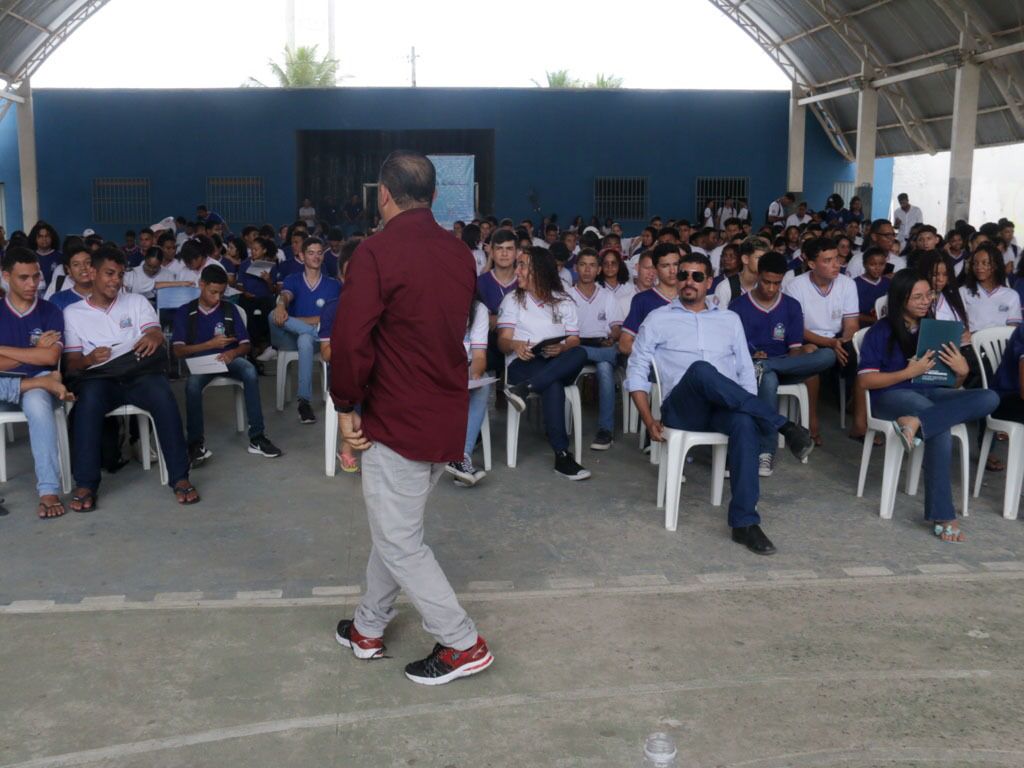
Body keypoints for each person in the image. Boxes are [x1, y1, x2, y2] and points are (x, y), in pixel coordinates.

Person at [330, 150, 493, 686]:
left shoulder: (376, 253)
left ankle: (461, 641)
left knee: (399, 538)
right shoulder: (459, 255)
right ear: (433, 195)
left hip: (395, 414)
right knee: (395, 528)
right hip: (444, 410)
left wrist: (346, 406)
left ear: (382, 194)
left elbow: (352, 341)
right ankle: (368, 627)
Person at [627, 252, 814, 555]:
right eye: (683, 275)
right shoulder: (658, 318)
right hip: (682, 409)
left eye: (697, 276)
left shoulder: (729, 320)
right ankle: (782, 425)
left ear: (709, 282)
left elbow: (744, 371)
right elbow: (635, 371)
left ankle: (745, 524)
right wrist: (649, 420)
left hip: (722, 409)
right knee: (701, 370)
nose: (689, 281)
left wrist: (747, 406)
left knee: (742, 423)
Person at [858, 270, 999, 542]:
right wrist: (907, 373)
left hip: (931, 393)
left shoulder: (935, 329)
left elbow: (949, 383)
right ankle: (943, 515)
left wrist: (961, 371)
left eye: (929, 295)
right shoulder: (881, 331)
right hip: (891, 395)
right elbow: (865, 381)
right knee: (939, 426)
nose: (926, 301)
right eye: (918, 297)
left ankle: (917, 423)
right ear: (901, 299)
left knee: (989, 397)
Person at [62, 246, 199, 509]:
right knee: (86, 405)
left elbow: (155, 332)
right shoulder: (73, 313)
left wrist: (154, 336)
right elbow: (72, 363)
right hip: (101, 380)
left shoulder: (136, 302)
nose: (116, 280)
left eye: (120, 274)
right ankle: (86, 484)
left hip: (139, 375)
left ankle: (180, 477)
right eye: (109, 273)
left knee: (163, 396)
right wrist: (90, 359)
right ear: (92, 272)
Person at [730, 251, 835, 476]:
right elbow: (732, 350)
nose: (771, 288)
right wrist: (753, 359)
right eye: (766, 282)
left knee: (828, 356)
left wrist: (779, 362)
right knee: (767, 378)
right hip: (751, 369)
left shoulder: (791, 306)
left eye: (776, 284)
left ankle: (767, 367)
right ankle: (766, 451)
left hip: (784, 363)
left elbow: (795, 349)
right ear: (758, 276)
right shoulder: (738, 306)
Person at [172, 266, 281, 465]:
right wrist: (209, 345)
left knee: (249, 370)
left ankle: (257, 437)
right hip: (201, 362)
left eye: (221, 293)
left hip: (228, 358)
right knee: (192, 385)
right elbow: (178, 351)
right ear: (201, 285)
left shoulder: (230, 309)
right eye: (213, 292)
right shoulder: (185, 311)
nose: (217, 298)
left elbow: (246, 345)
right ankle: (195, 444)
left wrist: (233, 352)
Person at [499, 247, 590, 479]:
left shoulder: (563, 300)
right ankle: (561, 456)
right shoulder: (513, 300)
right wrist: (516, 344)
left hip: (557, 360)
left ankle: (526, 389)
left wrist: (562, 347)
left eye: (522, 265)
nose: (517, 270)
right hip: (525, 362)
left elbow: (573, 338)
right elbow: (502, 341)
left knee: (578, 352)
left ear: (539, 271)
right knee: (553, 384)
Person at [0, 247, 73, 518]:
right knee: (39, 385)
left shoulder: (50, 311)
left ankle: (48, 490)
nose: (33, 284)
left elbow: (50, 356)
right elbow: (39, 356)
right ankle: (37, 384)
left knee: (39, 404)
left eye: (36, 276)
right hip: (30, 380)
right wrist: (33, 356)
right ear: (6, 276)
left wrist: (4, 350)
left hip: (40, 379)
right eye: (23, 278)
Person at [784, 237, 862, 441]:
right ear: (811, 264)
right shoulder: (795, 286)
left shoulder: (847, 284)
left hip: (838, 338)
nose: (836, 264)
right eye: (827, 260)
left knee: (861, 354)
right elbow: (797, 329)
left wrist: (843, 341)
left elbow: (852, 324)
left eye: (836, 258)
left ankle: (860, 421)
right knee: (810, 354)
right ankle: (811, 421)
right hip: (808, 338)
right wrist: (830, 344)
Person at [271, 236, 341, 424]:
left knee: (305, 339)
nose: (316, 257)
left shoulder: (333, 285)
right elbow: (286, 295)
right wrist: (280, 304)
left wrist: (301, 320)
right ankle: (310, 332)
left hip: (321, 340)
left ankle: (304, 401)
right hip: (291, 336)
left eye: (319, 253)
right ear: (302, 256)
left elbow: (335, 315)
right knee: (273, 315)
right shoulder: (292, 279)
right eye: (311, 253)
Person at [571, 248, 624, 450]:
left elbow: (617, 329)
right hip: (574, 346)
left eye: (592, 265)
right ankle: (607, 355)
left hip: (601, 344)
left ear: (599, 269)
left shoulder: (607, 296)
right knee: (605, 358)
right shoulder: (566, 296)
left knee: (604, 367)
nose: (587, 269)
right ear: (576, 268)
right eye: (583, 264)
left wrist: (612, 337)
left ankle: (605, 430)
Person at [446, 296, 491, 486]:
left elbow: (479, 355)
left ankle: (462, 456)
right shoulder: (432, 300)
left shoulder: (478, 308)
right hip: (435, 367)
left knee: (483, 385)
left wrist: (476, 374)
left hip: (466, 366)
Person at [619, 243, 682, 356]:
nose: (672, 271)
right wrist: (658, 358)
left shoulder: (690, 297)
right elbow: (624, 344)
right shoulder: (642, 300)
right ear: (656, 269)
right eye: (665, 266)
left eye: (676, 264)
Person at [959, 243, 1021, 332]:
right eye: (975, 263)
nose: (979, 267)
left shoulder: (1011, 295)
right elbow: (960, 325)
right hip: (972, 343)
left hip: (1001, 344)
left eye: (985, 263)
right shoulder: (963, 292)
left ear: (995, 265)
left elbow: (1012, 330)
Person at [713, 237, 767, 308]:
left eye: (765, 258)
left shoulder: (767, 286)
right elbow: (719, 317)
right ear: (745, 259)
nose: (764, 262)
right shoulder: (725, 287)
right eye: (759, 258)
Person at [49, 244, 94, 310]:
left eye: (87, 263)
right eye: (76, 264)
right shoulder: (57, 300)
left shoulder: (107, 295)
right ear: (69, 270)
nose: (83, 267)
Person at [854, 247, 890, 326]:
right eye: (872, 264)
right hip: (861, 328)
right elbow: (852, 314)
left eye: (881, 264)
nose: (877, 268)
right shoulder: (854, 284)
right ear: (864, 264)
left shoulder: (888, 283)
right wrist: (876, 321)